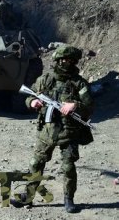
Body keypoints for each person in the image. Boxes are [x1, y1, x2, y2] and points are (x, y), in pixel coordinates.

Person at [22, 45, 94, 213]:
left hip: (69, 132)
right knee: (36, 164)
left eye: (70, 61)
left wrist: (75, 105)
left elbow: (90, 106)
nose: (66, 63)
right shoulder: (45, 79)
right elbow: (29, 96)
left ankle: (69, 199)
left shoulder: (79, 83)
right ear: (57, 61)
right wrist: (32, 103)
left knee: (68, 167)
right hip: (46, 132)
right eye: (63, 60)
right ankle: (28, 195)